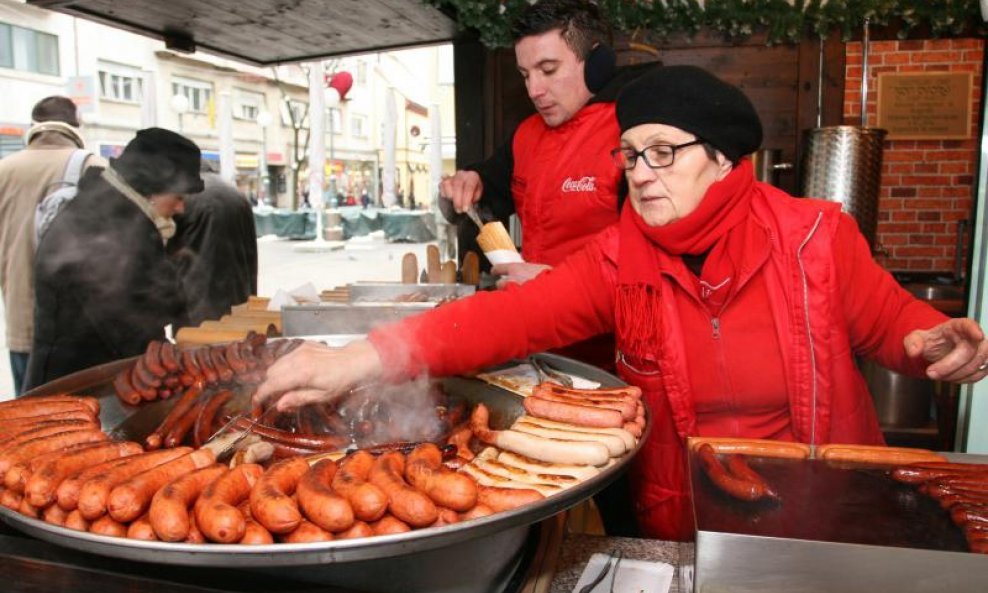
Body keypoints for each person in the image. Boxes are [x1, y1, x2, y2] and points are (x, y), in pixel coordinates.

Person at [254, 66, 988, 541]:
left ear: (726, 159)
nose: (640, 172)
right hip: (684, 528)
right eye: (631, 153)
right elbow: (502, 318)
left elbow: (895, 324)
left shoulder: (816, 239)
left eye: (663, 151)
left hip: (823, 517)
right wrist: (356, 355)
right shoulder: (619, 257)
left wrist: (931, 341)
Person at [439, 0, 651, 288]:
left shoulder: (638, 131)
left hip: (607, 328)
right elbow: (489, 187)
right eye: (525, 75)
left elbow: (652, 268)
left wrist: (556, 284)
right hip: (535, 321)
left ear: (596, 64)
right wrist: (469, 182)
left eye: (548, 70)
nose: (534, 91)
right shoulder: (526, 134)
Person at [24, 128, 202, 390]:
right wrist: (167, 368)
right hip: (74, 384)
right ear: (151, 188)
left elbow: (146, 293)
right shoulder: (104, 222)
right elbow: (125, 321)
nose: (180, 208)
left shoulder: (116, 212)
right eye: (178, 197)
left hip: (93, 375)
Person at [0, 97, 102, 395]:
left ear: (34, 125)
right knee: (84, 417)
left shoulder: (4, 169)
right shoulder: (93, 167)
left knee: (29, 417)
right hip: (79, 327)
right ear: (76, 125)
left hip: (22, 319)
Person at [168, 160, 258, 326]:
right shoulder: (235, 193)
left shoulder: (181, 195)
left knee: (199, 349)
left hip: (198, 303)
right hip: (241, 297)